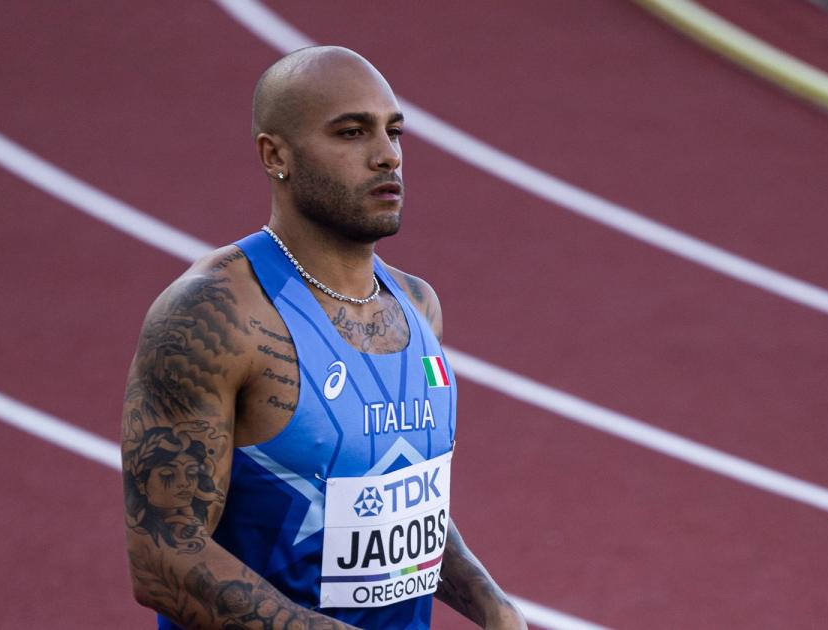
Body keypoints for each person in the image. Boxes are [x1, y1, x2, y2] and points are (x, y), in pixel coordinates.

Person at [122, 45, 526, 630]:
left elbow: (396, 500)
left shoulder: (416, 307)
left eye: (394, 132)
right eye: (351, 133)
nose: (387, 156)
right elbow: (162, 556)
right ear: (276, 155)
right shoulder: (214, 316)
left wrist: (491, 604)